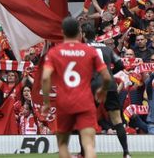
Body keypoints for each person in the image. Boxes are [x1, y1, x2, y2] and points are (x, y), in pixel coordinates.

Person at [42, 17, 112, 158]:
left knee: (62, 145)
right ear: (80, 33)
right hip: (85, 101)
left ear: (63, 32)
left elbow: (45, 77)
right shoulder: (89, 51)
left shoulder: (54, 52)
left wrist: (46, 102)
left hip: (64, 102)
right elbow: (106, 76)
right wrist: (103, 90)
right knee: (89, 145)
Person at [83, 22, 132, 158]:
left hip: (93, 86)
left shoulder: (83, 48)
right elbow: (121, 64)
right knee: (117, 119)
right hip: (109, 85)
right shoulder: (106, 48)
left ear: (83, 35)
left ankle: (84, 153)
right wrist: (109, 72)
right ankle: (126, 153)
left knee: (86, 120)